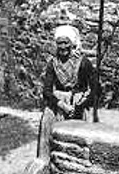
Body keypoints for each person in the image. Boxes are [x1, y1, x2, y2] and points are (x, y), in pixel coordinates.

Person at [37, 24, 96, 156]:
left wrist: (80, 105)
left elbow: (95, 89)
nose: (62, 47)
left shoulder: (83, 62)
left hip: (79, 102)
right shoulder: (52, 64)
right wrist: (62, 105)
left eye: (65, 43)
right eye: (59, 43)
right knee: (47, 125)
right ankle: (46, 158)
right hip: (59, 102)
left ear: (72, 44)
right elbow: (47, 91)